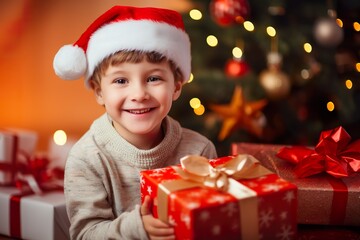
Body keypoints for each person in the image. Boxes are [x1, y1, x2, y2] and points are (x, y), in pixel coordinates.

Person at [53, 5, 217, 240]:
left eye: (153, 78)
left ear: (176, 87)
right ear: (99, 93)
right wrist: (136, 229)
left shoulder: (199, 150)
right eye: (121, 80)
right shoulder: (87, 158)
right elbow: (85, 234)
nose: (139, 94)